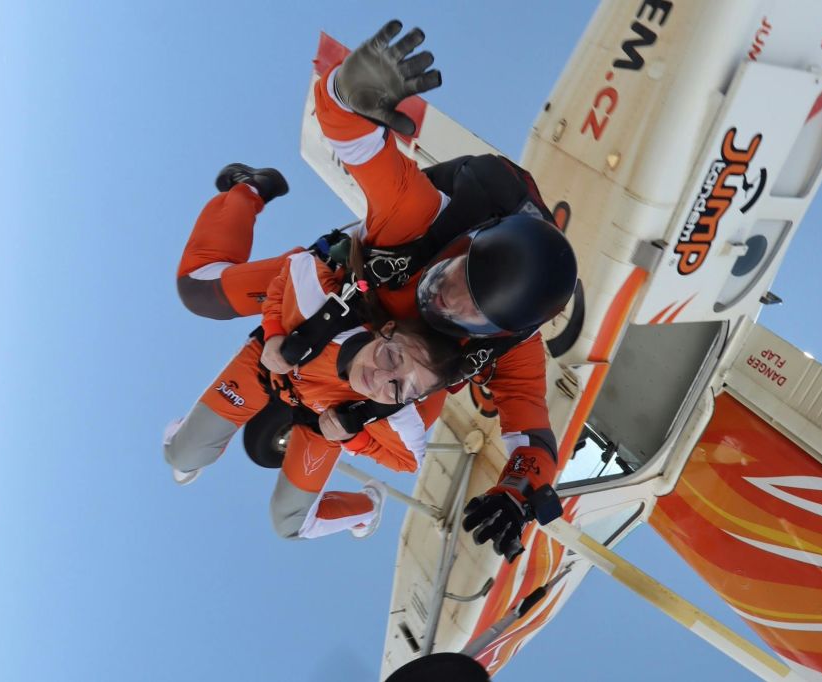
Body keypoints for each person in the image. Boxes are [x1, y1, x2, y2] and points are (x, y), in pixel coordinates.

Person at [173, 21, 577, 561]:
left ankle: (364, 507)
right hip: (337, 284)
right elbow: (359, 143)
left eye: (471, 313)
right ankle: (250, 187)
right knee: (198, 292)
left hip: (334, 396)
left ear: (497, 330)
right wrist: (347, 90)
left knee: (282, 515)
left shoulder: (511, 346)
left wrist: (517, 491)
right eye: (456, 277)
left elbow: (532, 435)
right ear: (466, 242)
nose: (448, 304)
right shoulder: (419, 221)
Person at [166, 210, 464, 538]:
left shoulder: (395, 408)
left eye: (396, 387)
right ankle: (187, 440)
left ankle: (367, 508)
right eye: (389, 357)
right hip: (270, 366)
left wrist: (353, 435)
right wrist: (275, 331)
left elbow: (408, 460)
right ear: (385, 331)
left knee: (290, 523)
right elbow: (293, 269)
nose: (379, 377)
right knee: (183, 453)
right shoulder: (321, 312)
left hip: (320, 421)